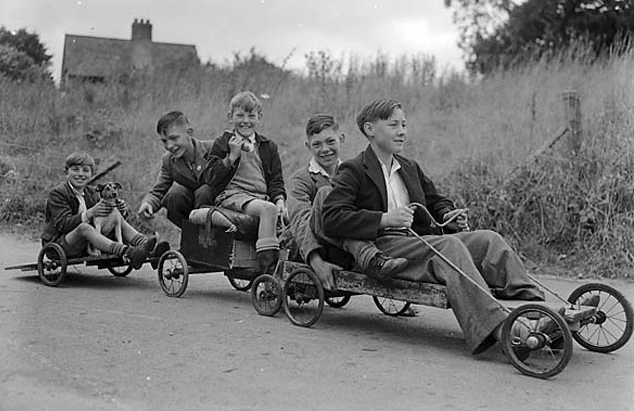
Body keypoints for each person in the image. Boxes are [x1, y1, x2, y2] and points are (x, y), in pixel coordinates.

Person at [322, 99, 546, 355]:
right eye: (393, 125)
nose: (402, 131)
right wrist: (384, 219)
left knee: (489, 240)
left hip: (418, 241)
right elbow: (332, 217)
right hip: (383, 247)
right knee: (448, 247)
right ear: (370, 129)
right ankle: (496, 326)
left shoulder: (408, 167)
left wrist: (448, 214)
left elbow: (435, 201)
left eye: (404, 124)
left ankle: (536, 307)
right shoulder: (354, 169)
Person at [287, 114, 407, 290]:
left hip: (344, 247)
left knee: (345, 214)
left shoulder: (352, 171)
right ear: (308, 146)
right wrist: (316, 261)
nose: (325, 149)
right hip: (314, 246)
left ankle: (378, 257)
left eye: (330, 142)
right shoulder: (301, 178)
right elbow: (300, 220)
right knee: (325, 195)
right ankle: (370, 257)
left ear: (341, 139)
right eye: (317, 145)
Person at [203, 91, 286, 274]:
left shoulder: (267, 146)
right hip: (233, 195)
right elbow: (210, 177)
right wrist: (231, 157)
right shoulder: (223, 143)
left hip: (260, 197)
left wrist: (279, 200)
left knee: (284, 215)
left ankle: (287, 265)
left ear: (259, 117)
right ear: (230, 117)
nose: (245, 121)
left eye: (251, 116)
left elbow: (276, 180)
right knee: (268, 209)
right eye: (240, 115)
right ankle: (267, 272)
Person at [41, 151, 157, 269]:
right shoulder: (58, 194)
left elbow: (105, 220)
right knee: (84, 228)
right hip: (60, 244)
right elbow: (62, 225)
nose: (80, 174)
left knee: (116, 216)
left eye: (86, 170)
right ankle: (128, 252)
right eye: (75, 170)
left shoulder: (92, 193)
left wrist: (120, 211)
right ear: (66, 172)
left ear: (92, 174)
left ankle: (147, 247)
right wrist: (90, 213)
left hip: (87, 244)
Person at [138, 110, 215, 229]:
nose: (169, 146)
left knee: (205, 191)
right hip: (190, 212)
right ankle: (190, 234)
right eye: (164, 141)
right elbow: (158, 191)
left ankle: (212, 236)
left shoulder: (212, 150)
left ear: (189, 133)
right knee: (175, 193)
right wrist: (147, 203)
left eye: (174, 138)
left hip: (217, 211)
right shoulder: (168, 160)